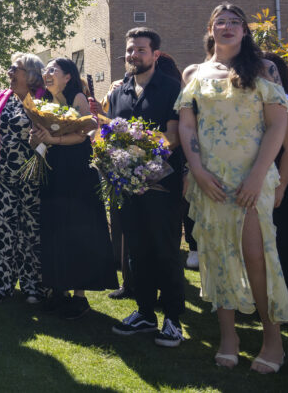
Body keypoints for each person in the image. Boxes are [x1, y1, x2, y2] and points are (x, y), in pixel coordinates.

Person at [176, 3, 288, 373]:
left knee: (257, 258)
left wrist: (259, 176)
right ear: (211, 30)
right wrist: (196, 170)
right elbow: (187, 126)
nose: (227, 27)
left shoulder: (263, 69)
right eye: (220, 22)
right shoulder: (195, 72)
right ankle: (229, 338)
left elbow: (277, 126)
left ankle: (272, 341)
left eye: (234, 22)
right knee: (215, 257)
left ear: (245, 31)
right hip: (210, 180)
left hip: (251, 178)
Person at [96, 29, 187, 347]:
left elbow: (174, 136)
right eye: (130, 50)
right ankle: (145, 313)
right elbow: (109, 133)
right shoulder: (119, 91)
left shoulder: (172, 88)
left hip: (161, 188)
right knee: (137, 252)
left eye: (141, 50)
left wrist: (141, 154)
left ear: (155, 55)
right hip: (128, 188)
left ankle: (173, 319)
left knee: (165, 253)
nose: (134, 55)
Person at [33, 58, 116, 320]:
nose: (47, 74)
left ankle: (80, 297)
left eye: (52, 70)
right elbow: (40, 134)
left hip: (76, 172)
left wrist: (53, 138)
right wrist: (37, 139)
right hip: (53, 170)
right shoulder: (43, 101)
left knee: (79, 229)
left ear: (67, 76)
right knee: (56, 228)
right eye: (46, 70)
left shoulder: (78, 97)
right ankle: (59, 289)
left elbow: (82, 134)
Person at [0, 53, 46, 305]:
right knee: (3, 230)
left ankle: (33, 287)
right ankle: (0, 286)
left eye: (14, 68)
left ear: (30, 75)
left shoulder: (42, 100)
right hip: (3, 176)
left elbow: (52, 135)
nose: (9, 72)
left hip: (33, 177)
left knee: (31, 231)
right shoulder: (2, 98)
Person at [262, 52, 288, 301]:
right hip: (269, 180)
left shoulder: (287, 102)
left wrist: (281, 186)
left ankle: (284, 299)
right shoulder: (270, 101)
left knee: (277, 240)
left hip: (281, 180)